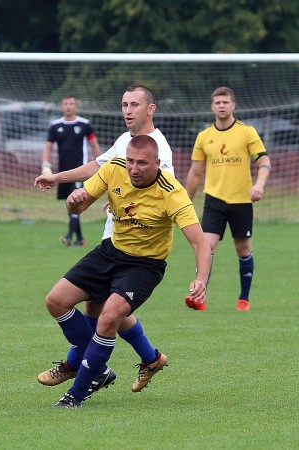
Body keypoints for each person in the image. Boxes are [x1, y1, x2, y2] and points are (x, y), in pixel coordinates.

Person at [42, 135, 212, 408]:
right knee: (55, 301)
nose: (133, 168)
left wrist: (201, 278)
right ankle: (96, 366)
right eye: (130, 161)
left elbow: (200, 243)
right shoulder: (114, 168)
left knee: (109, 317)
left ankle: (76, 394)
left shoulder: (172, 192)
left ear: (157, 163)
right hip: (110, 252)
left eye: (142, 163)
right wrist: (73, 201)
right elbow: (79, 206)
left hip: (144, 265)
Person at [35, 85, 174, 394]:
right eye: (124, 104)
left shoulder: (159, 149)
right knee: (102, 310)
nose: (128, 110)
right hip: (113, 236)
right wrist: (58, 177)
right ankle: (148, 358)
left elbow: (160, 190)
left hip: (137, 244)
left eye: (134, 104)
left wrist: (123, 200)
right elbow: (99, 166)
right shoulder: (126, 140)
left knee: (104, 311)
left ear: (151, 109)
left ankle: (81, 365)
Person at [185, 86, 271, 311]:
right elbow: (195, 173)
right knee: (206, 247)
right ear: (212, 106)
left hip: (242, 200)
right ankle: (199, 297)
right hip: (214, 200)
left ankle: (244, 298)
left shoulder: (247, 132)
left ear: (233, 105)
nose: (221, 106)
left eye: (225, 102)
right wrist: (184, 202)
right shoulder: (204, 136)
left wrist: (259, 185)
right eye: (218, 102)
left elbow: (263, 161)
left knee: (242, 249)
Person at [42, 95, 102, 246]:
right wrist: (45, 165)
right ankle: (80, 239)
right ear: (61, 107)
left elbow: (94, 145)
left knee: (76, 200)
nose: (68, 106)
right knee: (70, 203)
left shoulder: (84, 124)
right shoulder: (55, 126)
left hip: (80, 171)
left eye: (71, 104)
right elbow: (48, 146)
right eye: (66, 104)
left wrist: (103, 166)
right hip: (62, 173)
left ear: (76, 106)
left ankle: (68, 237)